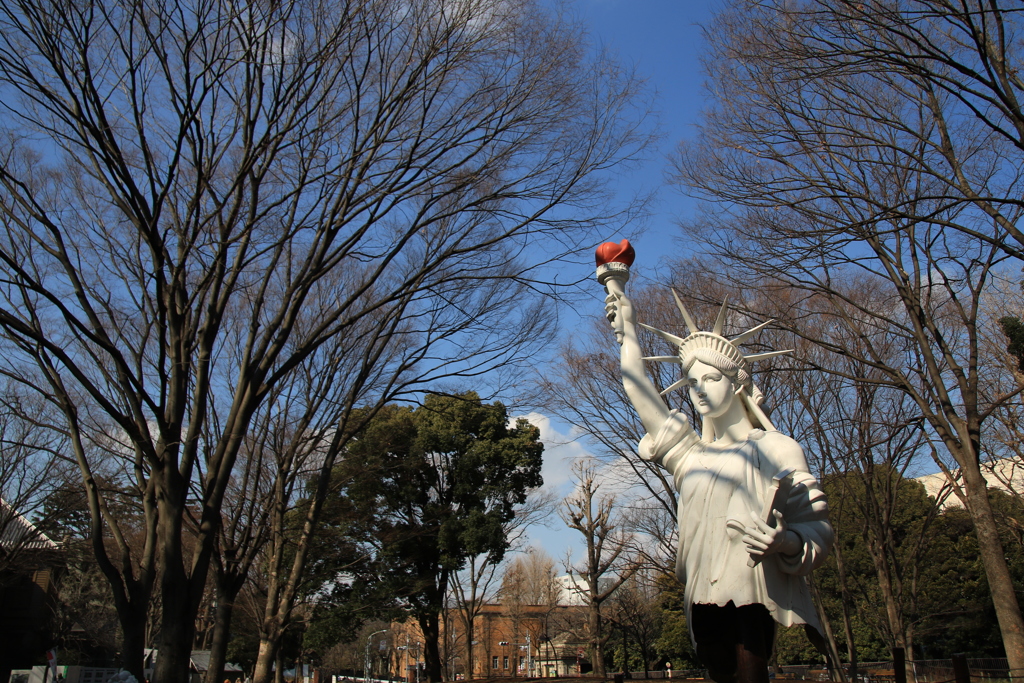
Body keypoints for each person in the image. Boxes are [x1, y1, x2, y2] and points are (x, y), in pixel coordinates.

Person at [604, 289, 833, 683]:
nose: (700, 389)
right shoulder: (691, 456)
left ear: (737, 383)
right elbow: (637, 390)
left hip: (754, 596)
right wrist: (627, 334)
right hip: (701, 595)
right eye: (692, 382)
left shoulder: (777, 448)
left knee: (750, 668)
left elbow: (816, 527)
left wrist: (784, 542)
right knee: (717, 668)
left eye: (711, 377)